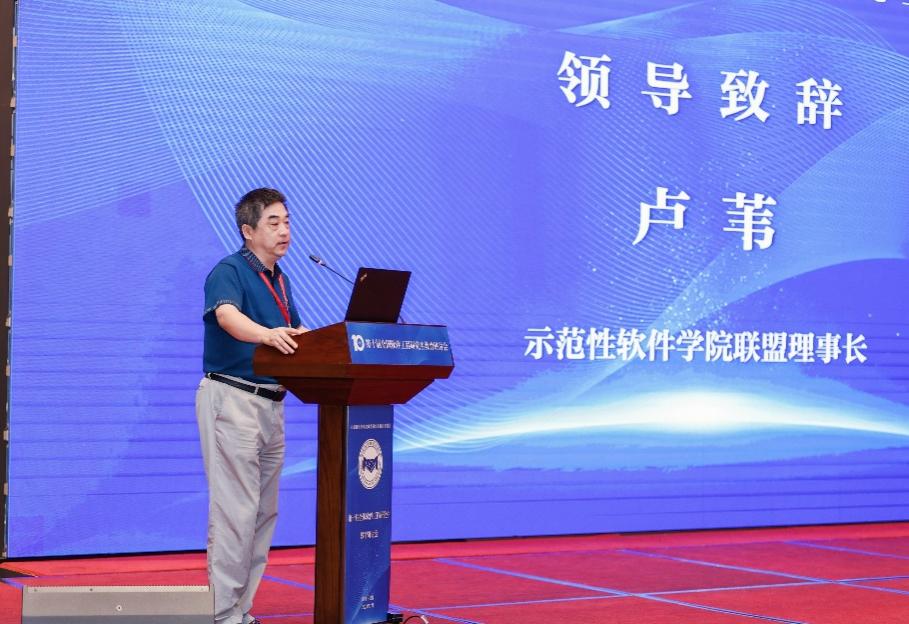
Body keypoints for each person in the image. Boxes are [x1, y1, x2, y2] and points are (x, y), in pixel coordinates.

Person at [196, 188, 307, 624]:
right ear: (248, 230)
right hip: (234, 399)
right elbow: (227, 316)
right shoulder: (229, 271)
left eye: (287, 222)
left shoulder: (280, 279)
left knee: (262, 513)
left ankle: (241, 611)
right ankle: (222, 615)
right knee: (235, 512)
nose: (284, 231)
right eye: (273, 223)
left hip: (271, 404)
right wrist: (266, 334)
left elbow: (294, 331)